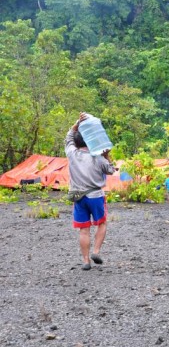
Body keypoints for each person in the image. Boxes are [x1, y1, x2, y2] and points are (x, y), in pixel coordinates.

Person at [65, 113, 116, 271]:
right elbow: (111, 170)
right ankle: (96, 251)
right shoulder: (98, 158)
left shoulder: (72, 154)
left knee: (83, 229)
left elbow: (68, 137)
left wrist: (77, 123)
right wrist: (106, 155)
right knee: (101, 224)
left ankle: (86, 261)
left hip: (78, 197)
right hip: (95, 196)